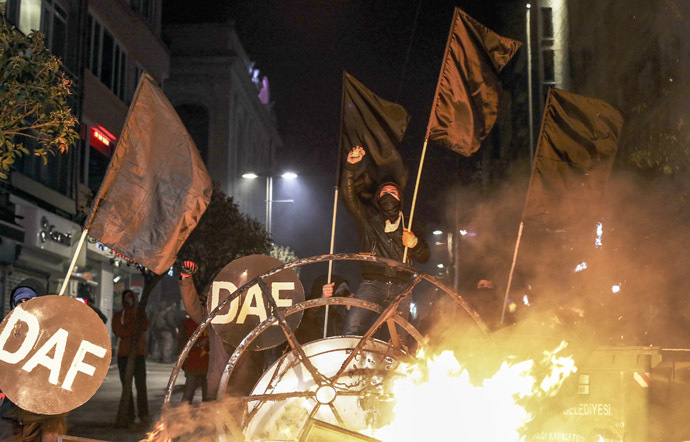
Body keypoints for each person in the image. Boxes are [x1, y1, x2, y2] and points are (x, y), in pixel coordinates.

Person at [340, 145, 430, 336]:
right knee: (353, 326)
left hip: (402, 287)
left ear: (400, 198)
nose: (389, 194)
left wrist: (415, 244)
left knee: (400, 337)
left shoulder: (411, 222)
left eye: (394, 192)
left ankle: (397, 365)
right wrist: (350, 167)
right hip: (373, 283)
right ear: (378, 197)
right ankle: (351, 363)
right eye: (385, 192)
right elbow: (348, 197)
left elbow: (425, 256)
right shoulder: (368, 219)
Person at [177, 261, 264, 399]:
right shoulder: (215, 316)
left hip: (245, 386)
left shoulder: (254, 317)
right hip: (218, 386)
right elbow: (193, 308)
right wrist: (186, 278)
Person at [0, 279, 67, 441]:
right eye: (20, 301)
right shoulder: (7, 334)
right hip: (12, 413)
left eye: (29, 300)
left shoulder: (55, 334)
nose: (24, 305)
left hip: (44, 413)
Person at [112, 289, 150, 426]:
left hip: (138, 355)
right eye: (127, 298)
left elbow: (144, 326)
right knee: (126, 386)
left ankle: (143, 414)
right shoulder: (119, 315)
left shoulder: (140, 315)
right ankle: (129, 415)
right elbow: (118, 331)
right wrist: (132, 330)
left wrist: (130, 327)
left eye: (131, 298)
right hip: (124, 355)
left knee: (141, 386)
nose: (129, 301)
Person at [178, 311, 210, 403]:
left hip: (208, 366)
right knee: (187, 397)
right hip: (193, 366)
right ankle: (183, 415)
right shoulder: (187, 324)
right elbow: (183, 344)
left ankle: (206, 417)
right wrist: (199, 343)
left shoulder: (211, 323)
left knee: (207, 399)